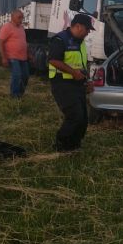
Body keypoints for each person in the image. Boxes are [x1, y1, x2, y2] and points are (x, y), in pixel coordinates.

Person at [48, 14, 95, 152]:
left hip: (77, 84)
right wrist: (73, 72)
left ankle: (74, 145)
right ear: (78, 26)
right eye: (87, 29)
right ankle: (61, 146)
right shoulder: (60, 39)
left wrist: (88, 82)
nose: (88, 32)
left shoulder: (81, 43)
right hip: (62, 84)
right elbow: (53, 60)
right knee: (75, 116)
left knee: (83, 119)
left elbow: (82, 65)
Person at [0, 9, 29, 98]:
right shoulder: (7, 27)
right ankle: (14, 96)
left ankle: (20, 94)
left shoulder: (21, 28)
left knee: (25, 76)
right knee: (17, 75)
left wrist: (29, 54)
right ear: (12, 17)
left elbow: (24, 42)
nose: (21, 19)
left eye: (22, 17)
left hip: (23, 57)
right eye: (19, 17)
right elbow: (0, 42)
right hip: (12, 56)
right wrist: (4, 57)